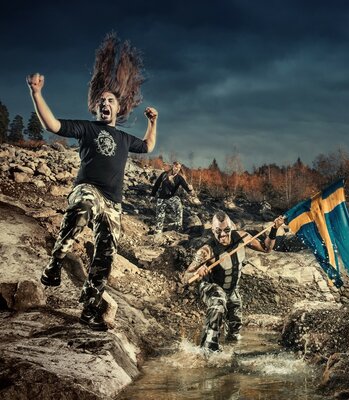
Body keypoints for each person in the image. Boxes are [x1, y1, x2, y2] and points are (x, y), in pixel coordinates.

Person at [28, 33, 158, 331]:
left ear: (118, 108)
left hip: (113, 204)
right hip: (88, 190)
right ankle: (55, 262)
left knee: (106, 255)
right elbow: (53, 125)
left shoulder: (125, 138)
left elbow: (149, 147)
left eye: (110, 100)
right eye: (101, 101)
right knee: (84, 205)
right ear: (95, 108)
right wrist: (36, 94)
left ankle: (89, 309)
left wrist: (153, 122)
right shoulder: (86, 129)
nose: (105, 103)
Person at [183, 211, 285, 351]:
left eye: (226, 230)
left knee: (235, 329)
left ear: (232, 227)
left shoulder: (243, 237)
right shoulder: (207, 250)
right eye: (218, 231)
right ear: (213, 230)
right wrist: (197, 271)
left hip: (231, 290)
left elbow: (266, 248)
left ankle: (230, 354)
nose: (223, 235)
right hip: (212, 287)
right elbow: (185, 277)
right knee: (218, 303)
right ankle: (208, 348)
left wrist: (274, 228)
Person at [150, 161, 193, 234]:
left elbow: (186, 188)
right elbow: (156, 185)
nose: (177, 169)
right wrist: (152, 195)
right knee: (160, 214)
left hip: (171, 197)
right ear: (173, 166)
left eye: (179, 168)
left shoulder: (179, 178)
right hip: (162, 197)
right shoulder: (164, 174)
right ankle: (158, 230)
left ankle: (179, 228)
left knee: (179, 208)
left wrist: (190, 189)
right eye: (176, 167)